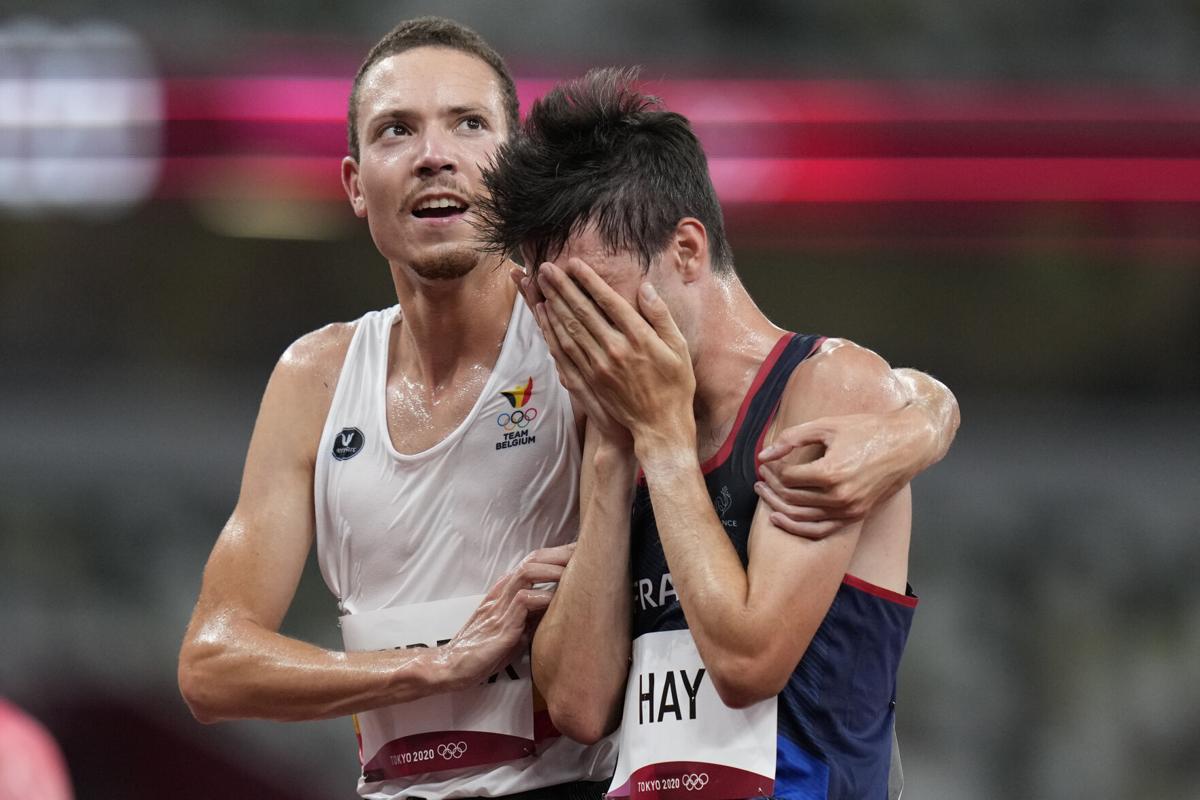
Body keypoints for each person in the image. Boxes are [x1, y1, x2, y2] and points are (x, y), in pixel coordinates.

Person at [177, 18, 958, 800]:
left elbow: (764, 364)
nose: (433, 155)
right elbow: (210, 664)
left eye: (469, 123)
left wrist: (915, 418)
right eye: (396, 130)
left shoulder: (587, 350)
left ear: (506, 163)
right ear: (353, 181)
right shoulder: (318, 376)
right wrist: (432, 667)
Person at [479, 68, 937, 799]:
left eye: (593, 298)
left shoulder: (828, 387)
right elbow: (578, 706)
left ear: (687, 250)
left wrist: (660, 438)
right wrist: (609, 451)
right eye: (553, 305)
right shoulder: (613, 423)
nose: (577, 335)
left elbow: (747, 663)